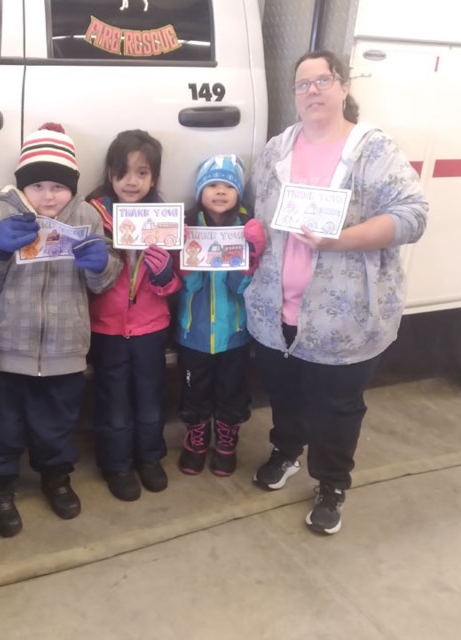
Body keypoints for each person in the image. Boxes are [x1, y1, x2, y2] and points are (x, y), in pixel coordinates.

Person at [244, 50, 428, 535]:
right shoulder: (278, 149)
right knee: (284, 391)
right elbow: (259, 215)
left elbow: (413, 216)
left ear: (344, 86)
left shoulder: (372, 150)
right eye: (302, 85)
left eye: (322, 80)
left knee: (337, 404)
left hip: (343, 316)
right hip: (274, 308)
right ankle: (286, 450)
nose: (312, 92)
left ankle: (331, 483)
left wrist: (340, 239)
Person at [0, 122, 122, 537]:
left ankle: (56, 477)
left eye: (58, 186)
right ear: (22, 187)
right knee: (1, 425)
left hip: (65, 348)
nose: (48, 196)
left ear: (72, 188)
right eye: (37, 187)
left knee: (57, 422)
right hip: (6, 345)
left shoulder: (87, 216)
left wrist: (100, 264)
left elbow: (104, 280)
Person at [84, 130, 181, 502]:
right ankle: (117, 463)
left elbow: (176, 281)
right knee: (114, 400)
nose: (132, 181)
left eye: (142, 173)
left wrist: (163, 277)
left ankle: (150, 457)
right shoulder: (94, 215)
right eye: (123, 172)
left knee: (150, 396)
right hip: (106, 328)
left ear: (153, 177)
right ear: (110, 174)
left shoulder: (164, 219)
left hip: (150, 327)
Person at [173, 154, 266, 478]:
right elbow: (186, 285)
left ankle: (226, 441)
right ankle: (197, 439)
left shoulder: (246, 226)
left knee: (232, 389)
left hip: (234, 333)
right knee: (194, 389)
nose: (220, 191)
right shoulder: (188, 225)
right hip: (193, 332)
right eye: (212, 184)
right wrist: (186, 262)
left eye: (228, 185)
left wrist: (250, 260)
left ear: (239, 192)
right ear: (199, 190)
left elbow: (244, 288)